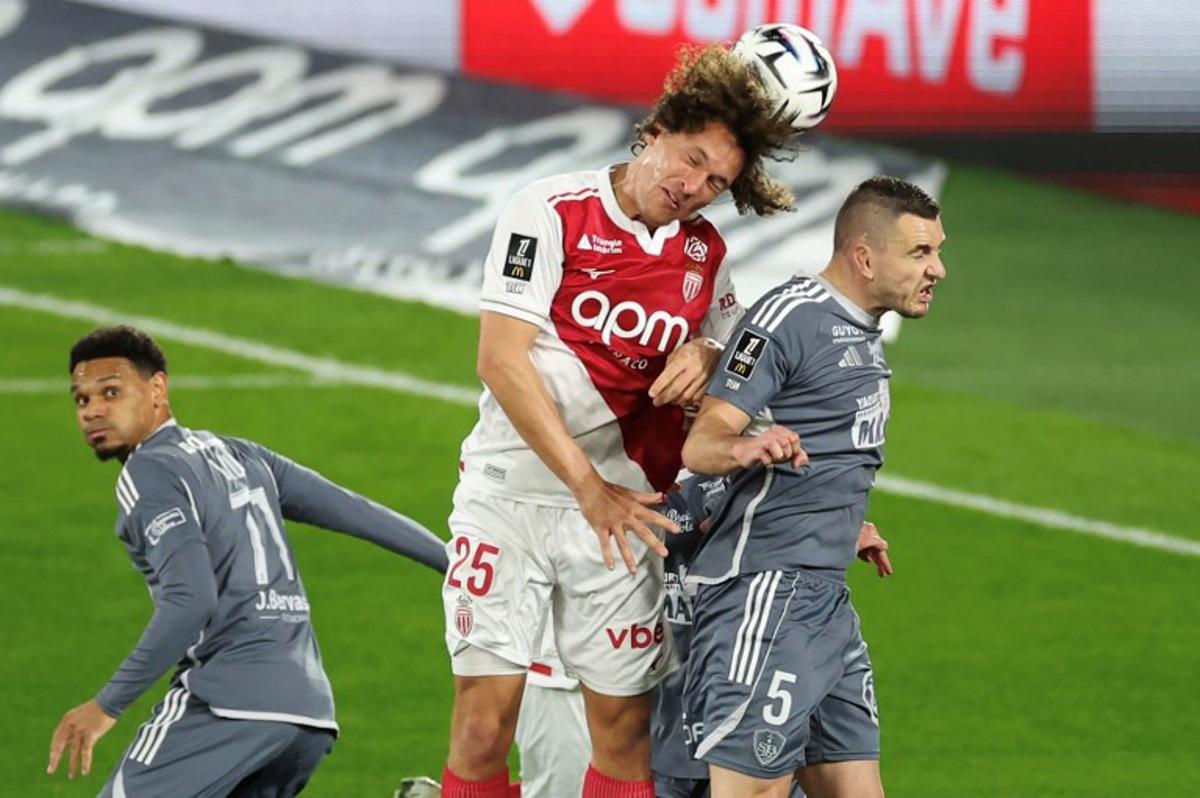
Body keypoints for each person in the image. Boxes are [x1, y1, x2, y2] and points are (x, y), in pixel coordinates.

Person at [441, 43, 800, 798]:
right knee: (481, 726)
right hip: (509, 497)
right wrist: (585, 486)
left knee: (624, 733)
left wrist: (707, 353)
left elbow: (742, 377)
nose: (695, 186)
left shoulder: (706, 257)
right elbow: (501, 360)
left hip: (622, 513)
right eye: (692, 159)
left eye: (717, 181)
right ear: (657, 130)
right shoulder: (549, 210)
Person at [48, 325, 449, 796]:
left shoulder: (149, 473)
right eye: (81, 400)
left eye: (111, 392)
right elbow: (354, 510)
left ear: (157, 389)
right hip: (308, 717)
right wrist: (454, 561)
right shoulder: (242, 455)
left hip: (226, 706)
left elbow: (191, 600)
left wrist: (106, 706)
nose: (93, 410)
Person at [680, 176, 945, 797]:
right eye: (920, 253)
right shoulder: (791, 316)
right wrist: (745, 444)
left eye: (936, 251)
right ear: (864, 255)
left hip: (824, 597)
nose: (939, 269)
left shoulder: (860, 332)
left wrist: (842, 523)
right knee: (756, 789)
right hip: (765, 592)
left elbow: (825, 449)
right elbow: (704, 441)